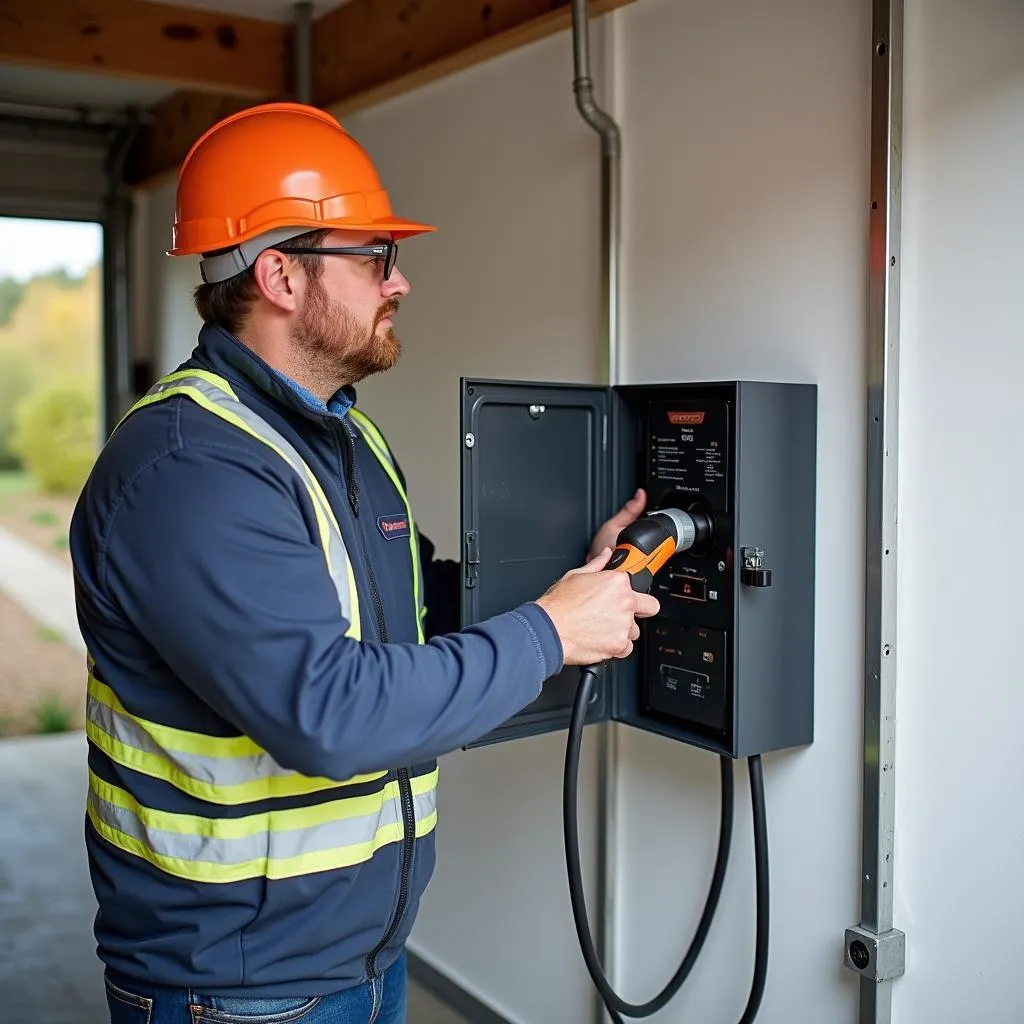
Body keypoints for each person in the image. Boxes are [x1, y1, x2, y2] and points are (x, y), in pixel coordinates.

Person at [70, 102, 657, 1024]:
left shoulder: (343, 440)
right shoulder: (192, 470)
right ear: (280, 275)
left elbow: (408, 613)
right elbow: (330, 713)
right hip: (238, 986)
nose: (400, 282)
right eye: (374, 256)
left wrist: (573, 588)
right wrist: (551, 631)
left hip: (361, 955)